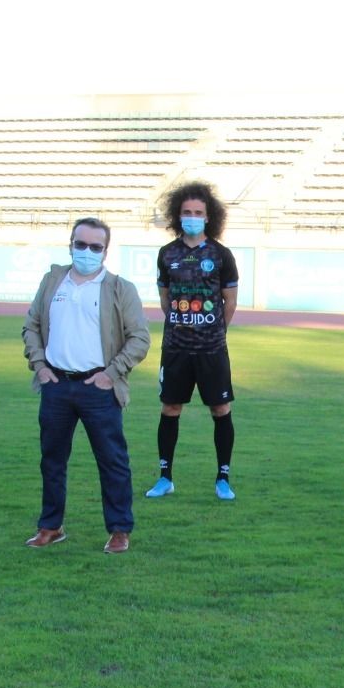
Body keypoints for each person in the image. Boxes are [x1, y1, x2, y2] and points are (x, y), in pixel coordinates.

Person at [21, 218, 150, 554]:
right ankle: (51, 526)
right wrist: (40, 366)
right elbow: (31, 326)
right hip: (56, 385)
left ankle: (119, 530)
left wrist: (112, 373)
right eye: (81, 244)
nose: (87, 252)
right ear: (71, 245)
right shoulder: (53, 281)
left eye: (95, 247)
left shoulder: (120, 289)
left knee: (112, 461)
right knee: (52, 460)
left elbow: (139, 338)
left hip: (99, 388)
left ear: (105, 252)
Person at [145, 181, 241, 501]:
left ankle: (223, 478)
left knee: (220, 408)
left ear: (208, 217)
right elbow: (165, 299)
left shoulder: (221, 254)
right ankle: (165, 478)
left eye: (198, 212)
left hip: (211, 349)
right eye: (187, 212)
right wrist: (182, 324)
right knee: (170, 407)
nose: (192, 217)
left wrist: (213, 332)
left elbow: (229, 302)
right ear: (177, 215)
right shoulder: (167, 253)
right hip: (176, 348)